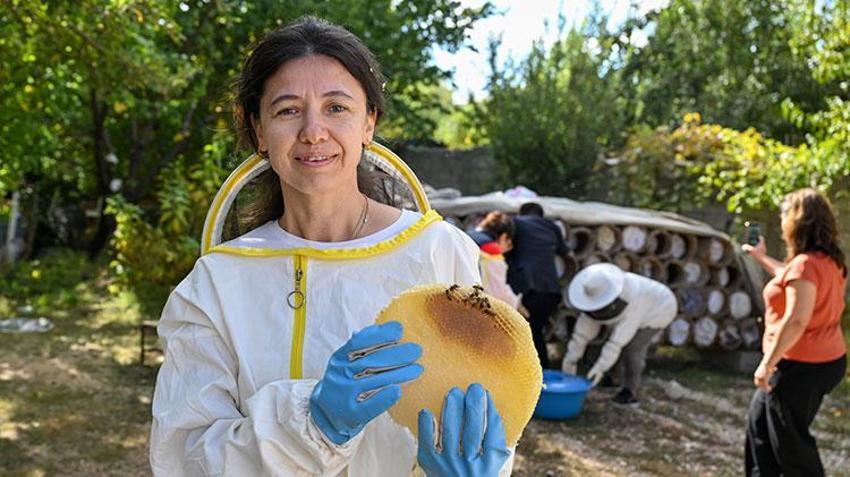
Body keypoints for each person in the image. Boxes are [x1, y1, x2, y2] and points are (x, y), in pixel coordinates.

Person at [149, 17, 512, 476]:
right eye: (287, 110)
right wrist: (311, 423)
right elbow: (184, 457)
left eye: (337, 107)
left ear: (369, 122)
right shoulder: (216, 283)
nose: (313, 131)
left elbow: (483, 410)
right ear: (258, 131)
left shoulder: (441, 251)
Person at [742, 188, 847, 477]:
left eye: (786, 214)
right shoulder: (827, 261)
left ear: (798, 221)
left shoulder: (805, 265)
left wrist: (767, 363)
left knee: (790, 444)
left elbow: (797, 320)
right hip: (822, 360)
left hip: (801, 364)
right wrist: (762, 258)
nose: (783, 220)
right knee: (760, 426)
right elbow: (792, 277)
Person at [560, 263, 677, 404]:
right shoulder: (594, 295)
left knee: (633, 347)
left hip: (660, 308)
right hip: (646, 304)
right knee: (617, 343)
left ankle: (630, 391)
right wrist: (571, 358)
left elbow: (616, 343)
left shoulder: (633, 300)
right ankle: (614, 378)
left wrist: (600, 367)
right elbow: (581, 334)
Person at [505, 202, 569, 369]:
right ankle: (541, 372)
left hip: (527, 288)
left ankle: (534, 374)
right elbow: (565, 251)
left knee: (525, 332)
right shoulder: (552, 227)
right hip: (552, 290)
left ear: (522, 213)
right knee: (535, 331)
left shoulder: (516, 223)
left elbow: (505, 248)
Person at [467, 211, 528, 317]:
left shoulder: (466, 236)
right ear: (504, 237)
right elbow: (498, 292)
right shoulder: (490, 250)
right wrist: (517, 305)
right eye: (508, 243)